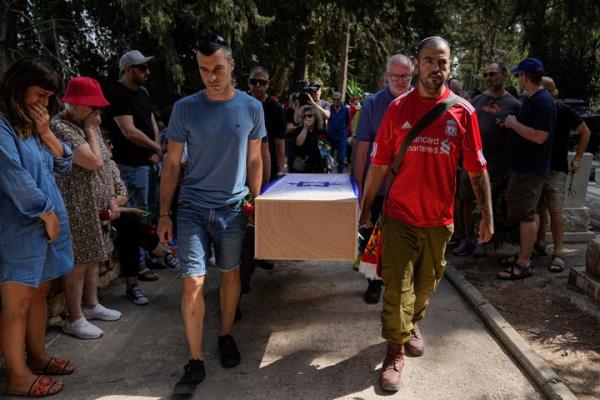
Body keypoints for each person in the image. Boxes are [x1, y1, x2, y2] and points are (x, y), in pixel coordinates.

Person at [359, 37, 493, 392]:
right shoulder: (397, 109)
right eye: (429, 60)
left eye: (443, 61)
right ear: (417, 65)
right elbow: (379, 164)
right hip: (399, 216)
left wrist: (487, 216)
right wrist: (365, 208)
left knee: (425, 286)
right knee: (397, 288)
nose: (437, 67)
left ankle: (412, 323)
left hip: (439, 220)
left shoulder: (463, 112)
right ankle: (394, 350)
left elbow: (477, 170)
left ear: (450, 66)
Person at [157, 34, 265, 395]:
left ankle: (225, 334)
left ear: (232, 65)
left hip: (233, 209)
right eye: (204, 70)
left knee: (231, 274)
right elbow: (172, 164)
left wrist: (258, 200)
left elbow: (254, 158)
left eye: (218, 68)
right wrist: (163, 213)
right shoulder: (185, 108)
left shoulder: (251, 107)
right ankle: (195, 359)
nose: (211, 76)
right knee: (193, 281)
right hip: (191, 207)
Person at [0, 58, 74, 397]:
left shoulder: (30, 126)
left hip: (45, 229)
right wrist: (45, 212)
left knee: (40, 294)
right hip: (18, 227)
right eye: (40, 94)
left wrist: (45, 131)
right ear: (19, 85)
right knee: (16, 304)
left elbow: (63, 162)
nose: (45, 103)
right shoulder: (2, 125)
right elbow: (13, 175)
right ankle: (17, 374)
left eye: (49, 98)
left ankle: (38, 356)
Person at [51, 77, 122, 339]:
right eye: (92, 107)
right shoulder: (61, 127)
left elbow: (107, 161)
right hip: (76, 206)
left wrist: (112, 198)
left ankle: (92, 305)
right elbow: (93, 162)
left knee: (93, 256)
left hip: (95, 205)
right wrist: (92, 131)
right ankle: (75, 316)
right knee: (79, 261)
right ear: (74, 104)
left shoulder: (86, 121)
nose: (97, 112)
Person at [353, 53, 413, 303]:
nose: (400, 81)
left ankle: (398, 280)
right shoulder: (373, 104)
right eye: (395, 76)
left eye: (405, 76)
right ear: (387, 76)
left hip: (408, 188)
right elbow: (362, 147)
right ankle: (373, 281)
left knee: (402, 237)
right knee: (370, 234)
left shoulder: (420, 103)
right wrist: (358, 187)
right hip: (377, 186)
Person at [104, 49, 161, 293]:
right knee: (134, 216)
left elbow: (150, 122)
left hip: (146, 162)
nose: (146, 72)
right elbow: (128, 131)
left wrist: (155, 148)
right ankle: (137, 266)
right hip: (128, 164)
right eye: (141, 68)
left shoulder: (143, 93)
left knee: (147, 213)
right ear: (127, 70)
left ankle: (148, 257)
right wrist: (156, 146)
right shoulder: (118, 93)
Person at [497, 57, 557, 280]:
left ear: (525, 77)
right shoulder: (534, 99)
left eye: (519, 76)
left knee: (527, 215)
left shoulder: (542, 102)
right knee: (526, 213)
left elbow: (539, 136)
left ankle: (524, 263)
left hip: (529, 170)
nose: (518, 80)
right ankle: (525, 254)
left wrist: (514, 124)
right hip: (523, 167)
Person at [535, 76, 590, 272]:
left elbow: (585, 131)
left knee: (555, 210)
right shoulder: (536, 108)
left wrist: (578, 158)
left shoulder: (562, 110)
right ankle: (540, 243)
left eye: (546, 90)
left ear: (552, 92)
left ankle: (558, 252)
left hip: (556, 167)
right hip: (537, 167)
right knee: (539, 208)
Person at [470, 63, 522, 256]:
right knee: (470, 201)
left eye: (493, 74)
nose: (489, 78)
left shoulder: (515, 105)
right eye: (486, 74)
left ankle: (486, 242)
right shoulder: (477, 100)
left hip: (499, 165)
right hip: (474, 162)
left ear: (505, 75)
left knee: (492, 203)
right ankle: (470, 238)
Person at [248, 66, 286, 182]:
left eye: (262, 82)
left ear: (268, 84)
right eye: (254, 82)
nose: (258, 85)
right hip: (243, 165)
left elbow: (280, 144)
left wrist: (280, 172)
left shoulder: (276, 109)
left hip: (269, 167)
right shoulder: (241, 104)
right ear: (248, 82)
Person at [289, 105, 328, 173]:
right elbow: (298, 143)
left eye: (310, 116)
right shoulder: (298, 130)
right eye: (304, 116)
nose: (307, 118)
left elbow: (326, 150)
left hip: (318, 168)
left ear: (315, 117)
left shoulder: (321, 132)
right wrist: (306, 128)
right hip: (301, 169)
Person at [327, 92, 350, 173]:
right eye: (334, 99)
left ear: (341, 100)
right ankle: (328, 175)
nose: (336, 101)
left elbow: (347, 121)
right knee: (329, 158)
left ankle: (339, 176)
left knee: (341, 158)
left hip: (342, 137)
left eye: (338, 99)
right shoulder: (329, 109)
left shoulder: (346, 110)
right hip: (331, 137)